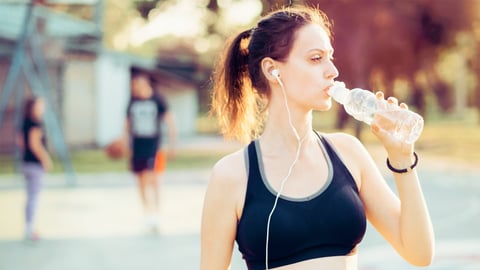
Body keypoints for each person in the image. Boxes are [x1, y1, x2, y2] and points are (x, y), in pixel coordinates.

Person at [201, 6, 434, 270]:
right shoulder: (232, 175)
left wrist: (402, 159)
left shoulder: (348, 152)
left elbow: (420, 253)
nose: (332, 70)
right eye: (316, 58)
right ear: (272, 70)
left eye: (330, 57)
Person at [125, 72, 177, 232]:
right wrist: (125, 144)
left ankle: (156, 213)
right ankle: (147, 213)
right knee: (140, 180)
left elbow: (170, 121)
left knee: (153, 179)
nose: (135, 88)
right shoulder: (132, 102)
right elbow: (126, 124)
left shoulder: (157, 99)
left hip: (155, 146)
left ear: (145, 84)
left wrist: (173, 143)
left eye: (137, 85)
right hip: (137, 146)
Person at [20, 97, 52, 241]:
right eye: (40, 105)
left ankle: (29, 226)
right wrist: (45, 160)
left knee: (30, 197)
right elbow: (35, 145)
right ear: (33, 107)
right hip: (34, 165)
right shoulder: (35, 123)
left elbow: (20, 141)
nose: (42, 108)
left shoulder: (24, 122)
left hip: (26, 163)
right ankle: (30, 229)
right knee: (33, 197)